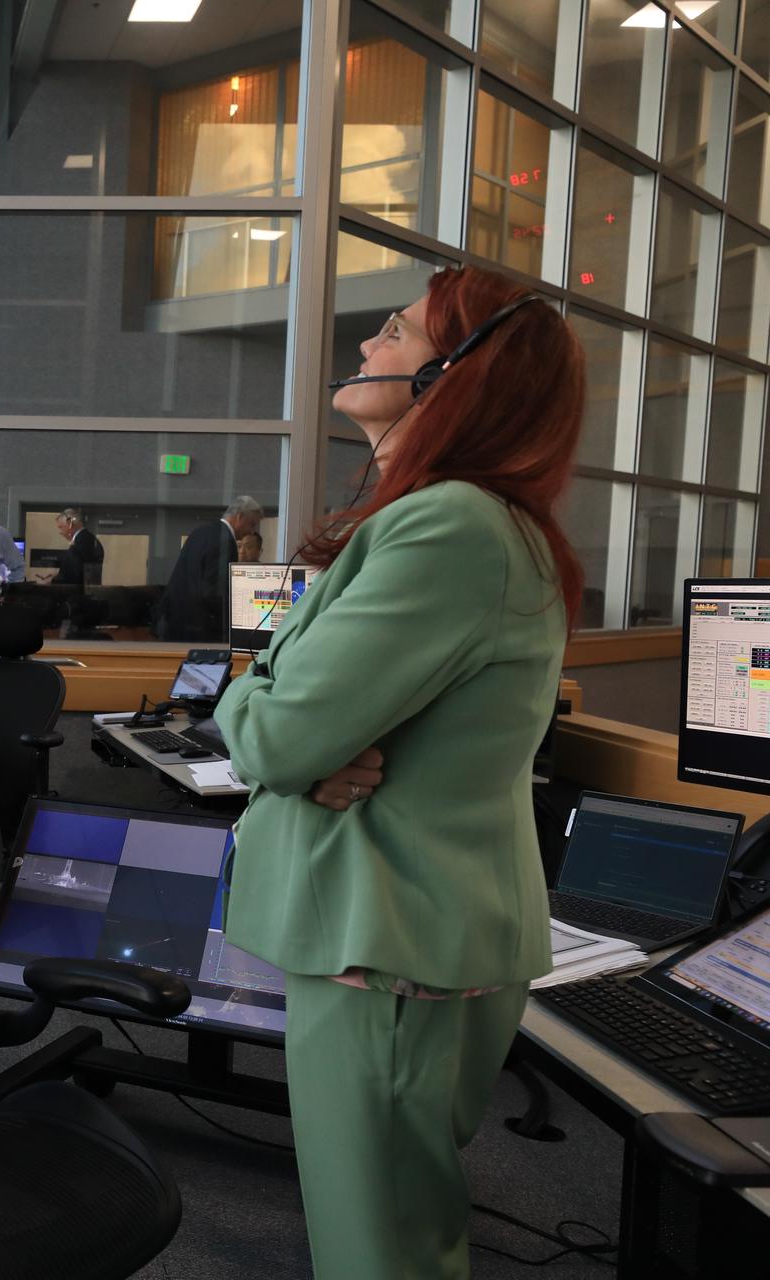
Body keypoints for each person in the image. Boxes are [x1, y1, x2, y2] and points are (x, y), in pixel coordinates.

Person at [217, 266, 583, 1279]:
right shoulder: (454, 519)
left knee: (379, 1251)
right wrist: (291, 727)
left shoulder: (448, 526)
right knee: (392, 1230)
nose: (367, 344)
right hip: (400, 937)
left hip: (390, 938)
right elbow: (300, 726)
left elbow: (275, 734)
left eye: (394, 331)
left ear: (452, 376)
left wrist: (254, 706)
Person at [155, 496, 263, 641]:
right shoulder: (225, 540)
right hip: (199, 629)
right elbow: (215, 592)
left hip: (174, 621)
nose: (251, 532)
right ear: (240, 516)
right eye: (252, 524)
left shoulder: (200, 532)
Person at [51, 508, 103, 586]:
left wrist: (54, 581)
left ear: (70, 524)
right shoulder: (86, 539)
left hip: (77, 592)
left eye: (61, 527)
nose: (60, 532)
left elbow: (73, 576)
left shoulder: (82, 542)